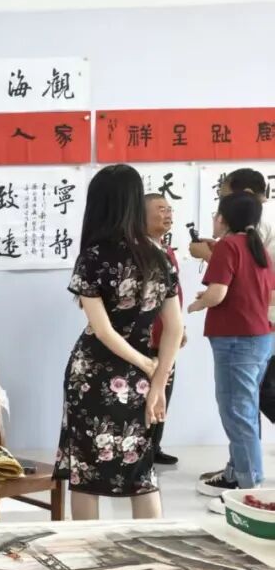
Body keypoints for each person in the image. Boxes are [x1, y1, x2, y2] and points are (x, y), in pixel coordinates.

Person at [53, 165, 184, 521]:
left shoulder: (93, 256)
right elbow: (174, 327)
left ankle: (88, 550)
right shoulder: (159, 256)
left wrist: (147, 367)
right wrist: (157, 380)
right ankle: (149, 547)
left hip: (95, 374)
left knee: (86, 473)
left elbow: (102, 330)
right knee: (142, 472)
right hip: (144, 375)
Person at [188, 191, 274, 501]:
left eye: (216, 213)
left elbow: (218, 294)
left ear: (223, 219)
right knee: (244, 409)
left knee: (237, 411)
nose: (214, 218)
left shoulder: (228, 246)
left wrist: (198, 305)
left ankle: (248, 485)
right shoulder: (258, 247)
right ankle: (237, 472)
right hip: (261, 336)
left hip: (236, 340)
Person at [144, 193, 186, 465]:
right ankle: (140, 449)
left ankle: (153, 447)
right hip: (145, 338)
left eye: (169, 209)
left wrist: (180, 328)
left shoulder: (167, 250)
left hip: (167, 335)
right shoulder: (139, 252)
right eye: (161, 209)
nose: (168, 214)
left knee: (163, 391)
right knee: (144, 393)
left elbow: (174, 296)